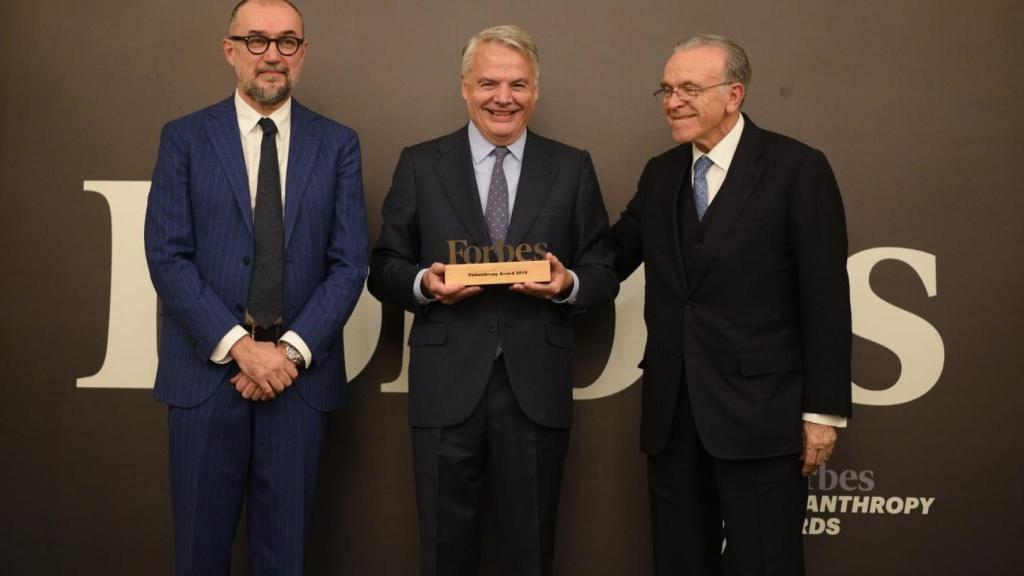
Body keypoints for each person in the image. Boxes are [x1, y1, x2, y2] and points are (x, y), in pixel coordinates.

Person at [368, 24, 618, 576]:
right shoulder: (420, 163)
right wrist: (424, 285)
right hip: (445, 385)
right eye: (488, 83)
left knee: (529, 551)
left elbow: (603, 271)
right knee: (443, 549)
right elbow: (383, 268)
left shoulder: (572, 167)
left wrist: (568, 285)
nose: (503, 98)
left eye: (518, 85)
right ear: (464, 88)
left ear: (536, 91)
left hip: (535, 386)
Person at [610, 34, 852, 575]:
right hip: (672, 418)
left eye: (690, 89)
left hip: (763, 418)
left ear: (735, 93)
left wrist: (822, 413)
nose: (673, 101)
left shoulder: (797, 168)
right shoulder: (661, 173)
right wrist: (561, 278)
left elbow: (827, 299)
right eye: (667, 89)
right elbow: (613, 256)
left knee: (768, 562)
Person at [143, 1, 367, 573]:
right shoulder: (184, 138)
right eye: (258, 40)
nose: (273, 54)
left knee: (285, 556)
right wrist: (242, 348)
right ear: (230, 50)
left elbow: (349, 264)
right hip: (205, 377)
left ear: (303, 53)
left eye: (287, 42)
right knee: (199, 554)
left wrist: (286, 354)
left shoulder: (338, 143)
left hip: (298, 383)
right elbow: (167, 256)